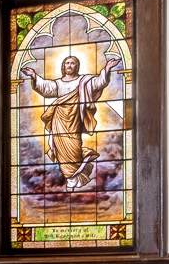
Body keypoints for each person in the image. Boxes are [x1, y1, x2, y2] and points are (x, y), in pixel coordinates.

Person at [20, 51, 121, 190]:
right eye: (67, 63)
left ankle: (76, 177)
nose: (69, 65)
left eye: (72, 63)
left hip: (74, 120)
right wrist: (33, 76)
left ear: (77, 66)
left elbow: (98, 83)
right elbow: (46, 87)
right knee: (61, 150)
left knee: (75, 148)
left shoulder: (83, 82)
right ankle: (70, 179)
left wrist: (107, 69)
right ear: (63, 66)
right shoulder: (58, 83)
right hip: (59, 120)